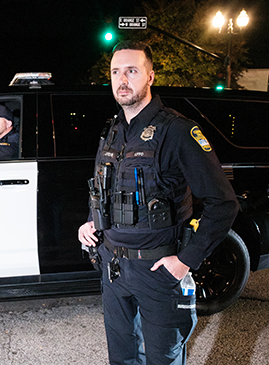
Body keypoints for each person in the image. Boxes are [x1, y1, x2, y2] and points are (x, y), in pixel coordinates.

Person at [78, 40, 239, 364]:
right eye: (115, 72)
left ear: (150, 76)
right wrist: (93, 222)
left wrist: (185, 261)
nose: (122, 80)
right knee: (122, 358)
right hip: (114, 268)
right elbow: (105, 188)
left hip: (158, 271)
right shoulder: (111, 132)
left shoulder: (177, 131)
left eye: (132, 71)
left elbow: (224, 203)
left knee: (162, 359)